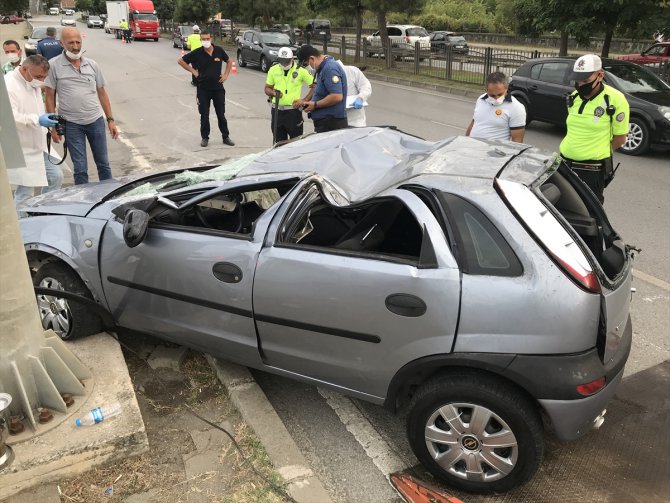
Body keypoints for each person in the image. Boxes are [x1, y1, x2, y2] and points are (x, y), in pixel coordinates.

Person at [44, 27, 119, 185]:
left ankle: (109, 198)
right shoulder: (53, 66)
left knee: (104, 164)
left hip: (95, 121)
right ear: (61, 43)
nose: (75, 46)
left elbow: (102, 93)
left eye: (78, 42)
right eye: (70, 42)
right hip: (71, 124)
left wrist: (110, 120)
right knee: (80, 168)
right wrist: (53, 127)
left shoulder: (92, 65)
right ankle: (83, 204)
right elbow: (49, 97)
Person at [559, 54, 629, 204]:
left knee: (589, 213)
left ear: (600, 75)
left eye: (586, 81)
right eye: (578, 80)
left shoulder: (615, 99)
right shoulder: (574, 96)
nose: (580, 85)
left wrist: (597, 152)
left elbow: (620, 138)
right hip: (564, 163)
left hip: (591, 170)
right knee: (562, 209)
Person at [5, 55, 64, 209]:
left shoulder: (31, 81)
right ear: (25, 69)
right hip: (21, 147)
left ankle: (43, 211)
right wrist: (37, 120)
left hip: (38, 143)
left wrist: (49, 126)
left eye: (44, 77)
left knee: (55, 177)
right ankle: (23, 227)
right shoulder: (8, 85)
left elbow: (37, 107)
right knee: (25, 191)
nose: (41, 81)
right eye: (39, 76)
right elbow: (9, 116)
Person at [178, 29, 234, 147]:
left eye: (207, 39)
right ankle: (205, 137)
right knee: (204, 114)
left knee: (221, 114)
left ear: (211, 39)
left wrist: (225, 75)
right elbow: (181, 61)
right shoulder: (197, 52)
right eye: (203, 39)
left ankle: (226, 136)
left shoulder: (219, 51)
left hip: (218, 89)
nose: (206, 41)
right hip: (203, 89)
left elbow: (229, 61)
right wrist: (194, 71)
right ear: (200, 40)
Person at [293, 45, 348, 133]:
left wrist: (315, 105)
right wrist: (305, 101)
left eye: (306, 64)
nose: (306, 68)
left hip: (331, 123)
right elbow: (317, 89)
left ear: (312, 58)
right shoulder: (322, 68)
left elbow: (337, 96)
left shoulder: (329, 68)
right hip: (325, 122)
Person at [264, 47, 313, 142]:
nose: (284, 63)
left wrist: (304, 100)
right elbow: (267, 88)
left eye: (286, 61)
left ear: (292, 59)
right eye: (282, 61)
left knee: (296, 142)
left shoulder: (301, 71)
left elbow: (314, 86)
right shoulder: (273, 69)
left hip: (293, 112)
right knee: (278, 142)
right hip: (277, 111)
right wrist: (273, 93)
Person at [466, 71, 526, 143]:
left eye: (500, 94)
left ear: (506, 87)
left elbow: (517, 141)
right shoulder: (481, 99)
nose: (496, 99)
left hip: (493, 152)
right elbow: (473, 123)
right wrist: (465, 141)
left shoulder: (516, 107)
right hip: (472, 148)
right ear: (486, 89)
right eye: (492, 95)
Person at [337, 61, 371, 127]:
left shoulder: (352, 71)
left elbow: (365, 86)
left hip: (356, 121)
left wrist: (361, 97)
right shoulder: (323, 74)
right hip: (336, 121)